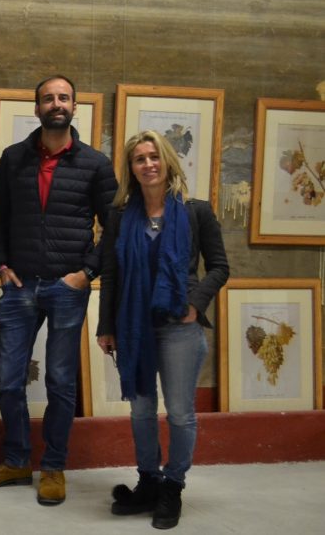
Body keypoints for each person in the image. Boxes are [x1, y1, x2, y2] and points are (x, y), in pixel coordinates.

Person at [0, 75, 117, 505]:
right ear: (36, 108)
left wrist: (86, 273)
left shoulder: (95, 163)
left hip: (66, 287)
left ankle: (53, 466)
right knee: (9, 381)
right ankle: (17, 462)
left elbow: (113, 229)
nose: (56, 103)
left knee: (59, 381)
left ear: (75, 107)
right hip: (19, 286)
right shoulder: (14, 157)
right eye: (48, 98)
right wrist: (1, 264)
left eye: (64, 97)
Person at [97, 130, 229, 530]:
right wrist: (106, 325)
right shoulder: (119, 215)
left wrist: (196, 302)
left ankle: (173, 485)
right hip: (134, 326)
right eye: (139, 159)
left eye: (154, 156)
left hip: (178, 328)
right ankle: (149, 481)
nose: (148, 164)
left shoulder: (196, 211)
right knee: (140, 411)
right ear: (131, 169)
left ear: (168, 160)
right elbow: (111, 273)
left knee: (180, 413)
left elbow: (220, 266)